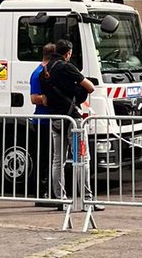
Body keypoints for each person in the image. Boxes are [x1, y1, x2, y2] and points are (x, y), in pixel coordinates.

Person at [44, 38, 103, 209]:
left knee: (57, 161)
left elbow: (45, 100)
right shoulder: (67, 67)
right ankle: (87, 201)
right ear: (68, 53)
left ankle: (61, 199)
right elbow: (90, 87)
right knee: (82, 159)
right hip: (73, 121)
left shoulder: (45, 70)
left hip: (55, 120)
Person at [29, 41, 57, 204]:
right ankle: (41, 194)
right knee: (44, 159)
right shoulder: (38, 73)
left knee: (50, 158)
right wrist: (45, 99)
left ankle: (49, 191)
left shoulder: (47, 72)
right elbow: (33, 98)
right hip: (43, 123)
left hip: (50, 122)